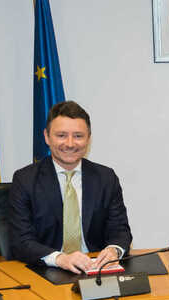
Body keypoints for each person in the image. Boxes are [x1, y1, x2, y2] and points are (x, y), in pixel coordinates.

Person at [9, 101, 132, 273]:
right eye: (61, 135)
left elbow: (120, 230)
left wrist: (114, 250)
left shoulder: (106, 178)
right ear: (47, 137)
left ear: (88, 138)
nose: (70, 143)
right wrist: (60, 259)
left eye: (78, 136)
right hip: (47, 269)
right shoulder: (25, 180)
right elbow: (21, 241)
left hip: (95, 269)